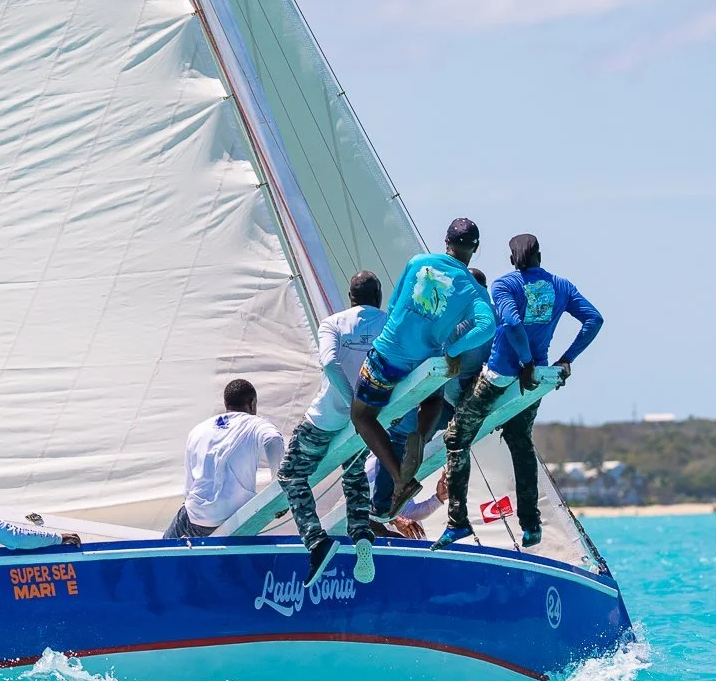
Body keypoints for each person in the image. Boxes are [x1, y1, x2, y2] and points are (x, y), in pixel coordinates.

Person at [435, 233, 603, 550]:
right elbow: (593, 320)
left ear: (513, 260)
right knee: (520, 442)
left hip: (500, 375)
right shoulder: (561, 286)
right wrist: (566, 359)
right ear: (539, 255)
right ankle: (532, 525)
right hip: (534, 380)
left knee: (457, 438)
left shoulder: (505, 285)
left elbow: (511, 324)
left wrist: (523, 361)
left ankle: (457, 522)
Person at [352, 219, 495, 523]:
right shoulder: (472, 289)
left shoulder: (418, 263)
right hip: (426, 362)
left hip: (387, 355)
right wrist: (452, 351)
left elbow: (392, 307)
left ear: (445, 241)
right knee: (432, 400)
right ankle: (421, 432)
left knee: (362, 416)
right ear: (476, 249)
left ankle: (399, 477)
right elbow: (488, 326)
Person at [277, 271, 387, 588]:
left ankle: (316, 541)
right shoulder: (388, 323)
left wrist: (350, 401)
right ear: (378, 296)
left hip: (329, 416)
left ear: (350, 296)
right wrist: (365, 406)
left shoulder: (334, 323)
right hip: (369, 418)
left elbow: (328, 363)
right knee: (353, 477)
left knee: (290, 474)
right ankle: (362, 534)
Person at [164, 379, 285, 539]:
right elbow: (273, 438)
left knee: (161, 550)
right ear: (252, 403)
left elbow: (188, 488)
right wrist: (279, 488)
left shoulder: (199, 429)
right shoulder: (255, 424)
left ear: (226, 402)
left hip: (196, 518)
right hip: (236, 516)